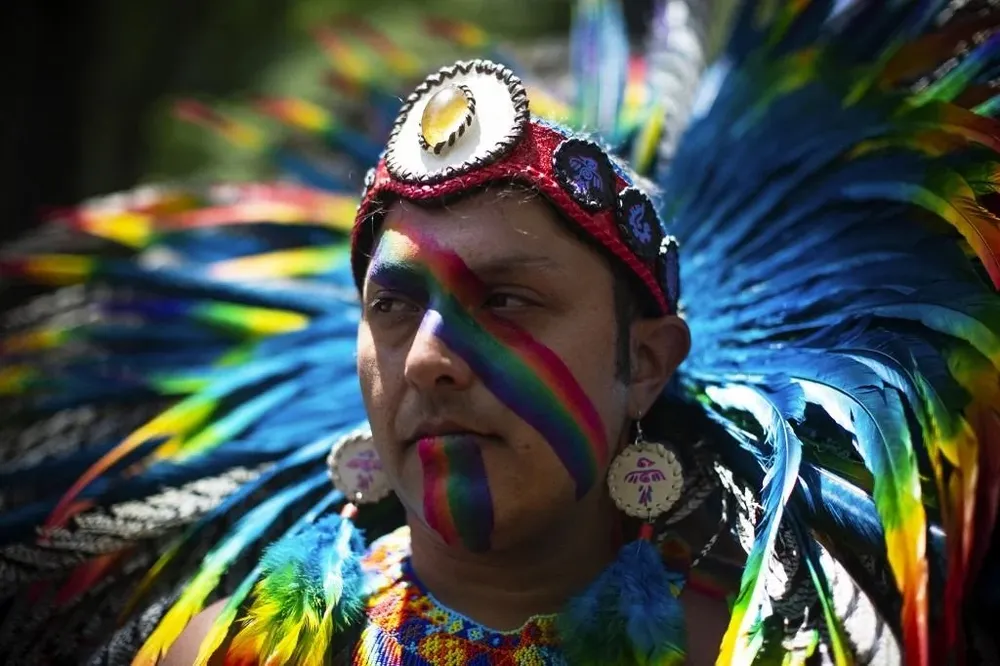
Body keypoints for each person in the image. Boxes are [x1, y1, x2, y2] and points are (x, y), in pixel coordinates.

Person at [1, 2, 999, 665]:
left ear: (644, 362)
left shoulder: (757, 647)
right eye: (393, 307)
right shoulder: (221, 649)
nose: (429, 359)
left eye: (508, 302)